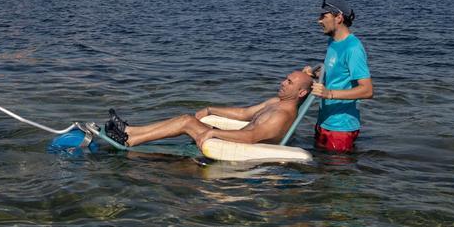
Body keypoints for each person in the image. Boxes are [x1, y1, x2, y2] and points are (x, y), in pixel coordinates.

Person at [99, 71, 313, 150]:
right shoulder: (275, 102)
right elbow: (245, 114)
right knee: (186, 118)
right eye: (286, 78)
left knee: (185, 121)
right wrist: (211, 108)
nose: (283, 82)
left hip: (237, 146)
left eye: (289, 82)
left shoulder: (282, 115)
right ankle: (130, 130)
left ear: (301, 93)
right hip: (234, 138)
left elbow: (251, 136)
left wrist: (213, 132)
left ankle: (131, 139)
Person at [304, 0, 373, 152]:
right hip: (324, 120)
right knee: (321, 170)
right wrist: (314, 74)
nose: (319, 21)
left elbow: (367, 90)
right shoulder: (333, 42)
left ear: (339, 18)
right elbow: (337, 73)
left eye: (324, 16)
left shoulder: (353, 48)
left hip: (341, 127)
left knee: (337, 174)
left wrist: (329, 94)